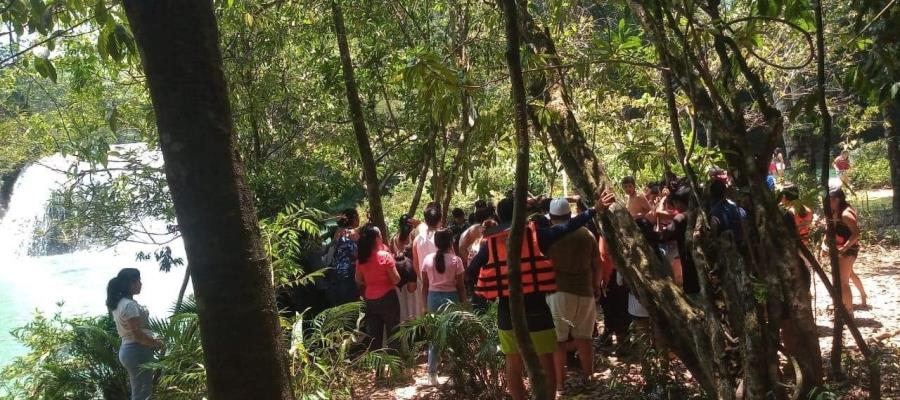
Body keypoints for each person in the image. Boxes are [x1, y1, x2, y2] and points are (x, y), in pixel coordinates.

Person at [468, 197, 558, 400]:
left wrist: (494, 281)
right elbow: (565, 228)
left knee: (513, 363)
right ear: (521, 213)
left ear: (498, 217)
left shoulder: (491, 243)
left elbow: (472, 270)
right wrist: (593, 211)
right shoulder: (536, 235)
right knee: (546, 363)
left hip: (507, 312)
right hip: (537, 308)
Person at [543, 198, 599, 393]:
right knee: (584, 338)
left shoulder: (550, 237)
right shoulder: (587, 234)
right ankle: (589, 377)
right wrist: (596, 285)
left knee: (558, 340)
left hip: (558, 293)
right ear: (570, 215)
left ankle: (559, 383)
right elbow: (596, 262)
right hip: (585, 291)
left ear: (551, 217)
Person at [107, 268, 163, 400]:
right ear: (130, 284)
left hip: (129, 349)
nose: (141, 283)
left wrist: (151, 339)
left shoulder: (120, 303)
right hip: (137, 351)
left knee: (140, 389)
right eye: (138, 280)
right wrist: (155, 343)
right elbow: (137, 335)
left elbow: (133, 332)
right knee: (143, 392)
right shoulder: (129, 305)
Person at [421, 229, 468, 385]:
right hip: (451, 299)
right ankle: (456, 374)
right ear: (450, 242)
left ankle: (432, 375)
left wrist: (424, 306)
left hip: (432, 299)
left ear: (435, 243)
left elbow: (425, 286)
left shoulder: (427, 259)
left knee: (434, 337)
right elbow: (461, 286)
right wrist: (464, 305)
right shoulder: (456, 261)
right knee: (453, 335)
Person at [355, 224, 402, 350]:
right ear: (376, 238)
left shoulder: (361, 260)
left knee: (375, 337)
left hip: (370, 300)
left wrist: (371, 284)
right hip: (388, 298)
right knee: (394, 333)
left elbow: (358, 279)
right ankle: (395, 365)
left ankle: (377, 366)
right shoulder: (385, 256)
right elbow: (396, 279)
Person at [826, 189, 867, 314]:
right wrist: (824, 244)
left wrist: (844, 248)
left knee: (843, 282)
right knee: (846, 276)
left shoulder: (846, 214)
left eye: (829, 200)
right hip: (838, 249)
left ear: (836, 200)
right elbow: (830, 229)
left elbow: (856, 234)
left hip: (848, 251)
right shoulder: (834, 211)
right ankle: (860, 297)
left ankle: (849, 313)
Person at [412, 207, 443, 317]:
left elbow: (415, 263)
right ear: (440, 220)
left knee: (428, 314)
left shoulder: (417, 240)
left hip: (425, 283)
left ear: (425, 220)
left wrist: (421, 278)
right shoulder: (443, 236)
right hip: (444, 281)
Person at [391, 214, 419, 322]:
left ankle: (403, 324)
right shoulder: (414, 237)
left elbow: (391, 257)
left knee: (402, 303)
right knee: (414, 302)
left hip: (400, 277)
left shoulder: (394, 238)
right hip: (413, 275)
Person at [330, 208, 360, 306]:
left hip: (336, 273)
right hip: (350, 273)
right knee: (352, 306)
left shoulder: (338, 232)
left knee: (343, 306)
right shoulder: (353, 233)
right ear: (354, 219)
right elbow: (358, 253)